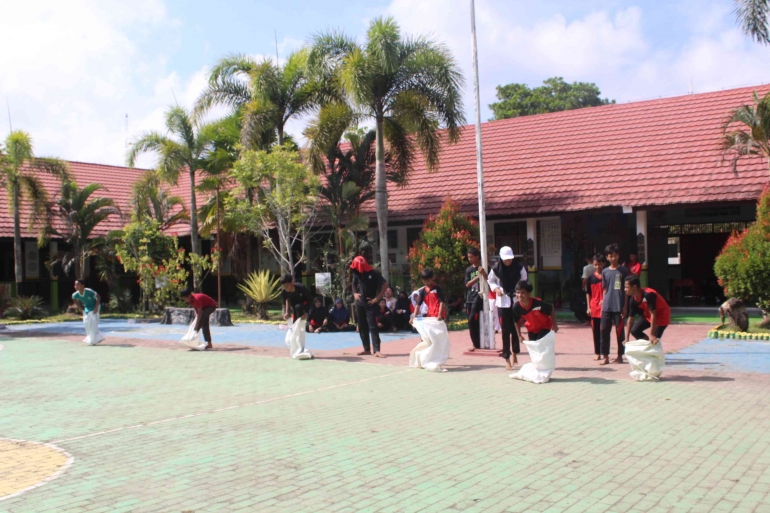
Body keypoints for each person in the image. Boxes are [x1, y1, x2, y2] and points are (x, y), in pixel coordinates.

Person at [510, 280, 559, 384]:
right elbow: (516, 322)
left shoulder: (538, 303)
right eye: (518, 292)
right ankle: (538, 372)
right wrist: (519, 335)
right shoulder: (516, 307)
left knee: (541, 349)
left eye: (522, 293)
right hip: (531, 329)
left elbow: (551, 309)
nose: (519, 295)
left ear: (529, 294)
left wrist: (554, 324)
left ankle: (545, 372)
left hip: (544, 326)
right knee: (535, 351)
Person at [488, 246, 527, 370]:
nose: (508, 262)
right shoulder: (496, 269)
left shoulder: (519, 268)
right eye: (505, 260)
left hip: (515, 300)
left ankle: (515, 352)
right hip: (502, 301)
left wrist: (519, 290)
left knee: (515, 329)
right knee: (505, 331)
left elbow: (524, 280)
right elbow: (491, 281)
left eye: (509, 259)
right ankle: (507, 357)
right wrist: (497, 289)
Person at [409, 268, 450, 371]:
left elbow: (441, 302)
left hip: (437, 317)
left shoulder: (437, 289)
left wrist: (440, 314)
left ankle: (437, 357)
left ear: (432, 279)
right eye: (424, 281)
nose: (426, 282)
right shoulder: (422, 291)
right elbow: (418, 305)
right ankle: (427, 358)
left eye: (428, 280)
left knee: (437, 338)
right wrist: (413, 317)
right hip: (430, 316)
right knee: (428, 338)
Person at [350, 256, 389, 358]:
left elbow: (385, 285)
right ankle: (366, 349)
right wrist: (355, 293)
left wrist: (377, 298)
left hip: (370, 303)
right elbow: (353, 284)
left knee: (373, 327)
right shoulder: (356, 273)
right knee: (362, 327)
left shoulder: (374, 273)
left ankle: (377, 350)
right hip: (360, 303)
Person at [600, 243, 629, 365]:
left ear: (618, 256)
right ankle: (605, 356)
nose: (613, 258)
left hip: (619, 305)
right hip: (607, 305)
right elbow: (605, 289)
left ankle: (620, 355)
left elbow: (626, 290)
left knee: (619, 331)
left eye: (615, 255)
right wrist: (603, 302)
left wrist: (625, 306)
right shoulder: (605, 271)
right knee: (604, 330)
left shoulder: (623, 271)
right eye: (610, 256)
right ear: (607, 257)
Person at [624, 276, 671, 344]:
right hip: (649, 316)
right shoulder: (632, 299)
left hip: (661, 316)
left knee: (654, 340)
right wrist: (626, 338)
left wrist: (651, 334)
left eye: (627, 287)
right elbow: (630, 319)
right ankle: (647, 344)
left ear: (634, 287)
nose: (625, 289)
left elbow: (653, 314)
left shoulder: (649, 294)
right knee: (634, 331)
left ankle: (653, 348)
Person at [465, 247, 488, 352]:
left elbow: (490, 279)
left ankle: (479, 342)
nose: (469, 259)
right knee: (470, 321)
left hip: (479, 296)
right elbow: (467, 284)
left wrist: (483, 273)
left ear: (477, 257)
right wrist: (477, 278)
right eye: (468, 257)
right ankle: (475, 343)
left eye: (471, 257)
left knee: (473, 319)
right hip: (470, 297)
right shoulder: (469, 270)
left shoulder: (484, 267)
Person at [585, 254, 607, 360]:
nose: (597, 266)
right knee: (596, 332)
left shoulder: (607, 276)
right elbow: (588, 293)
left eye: (599, 264)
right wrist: (588, 307)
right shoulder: (590, 278)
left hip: (605, 308)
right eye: (595, 264)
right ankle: (597, 353)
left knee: (604, 332)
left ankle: (605, 353)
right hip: (594, 308)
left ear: (604, 264)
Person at [72, 279, 103, 345]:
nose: (76, 286)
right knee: (86, 322)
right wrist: (79, 307)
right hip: (87, 308)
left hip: (95, 306)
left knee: (93, 323)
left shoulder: (89, 291)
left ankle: (93, 340)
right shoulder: (75, 294)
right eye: (75, 285)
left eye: (78, 284)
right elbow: (73, 298)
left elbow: (98, 297)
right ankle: (96, 337)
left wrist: (96, 308)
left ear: (82, 286)